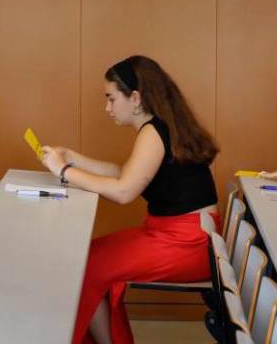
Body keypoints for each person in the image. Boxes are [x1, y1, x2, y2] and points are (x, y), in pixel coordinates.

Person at [40, 55, 220, 344]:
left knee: (86, 265)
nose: (107, 107)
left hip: (186, 242)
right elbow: (127, 173)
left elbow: (124, 191)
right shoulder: (159, 127)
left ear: (135, 98)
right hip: (183, 235)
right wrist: (73, 159)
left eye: (111, 98)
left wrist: (64, 171)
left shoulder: (152, 132)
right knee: (86, 258)